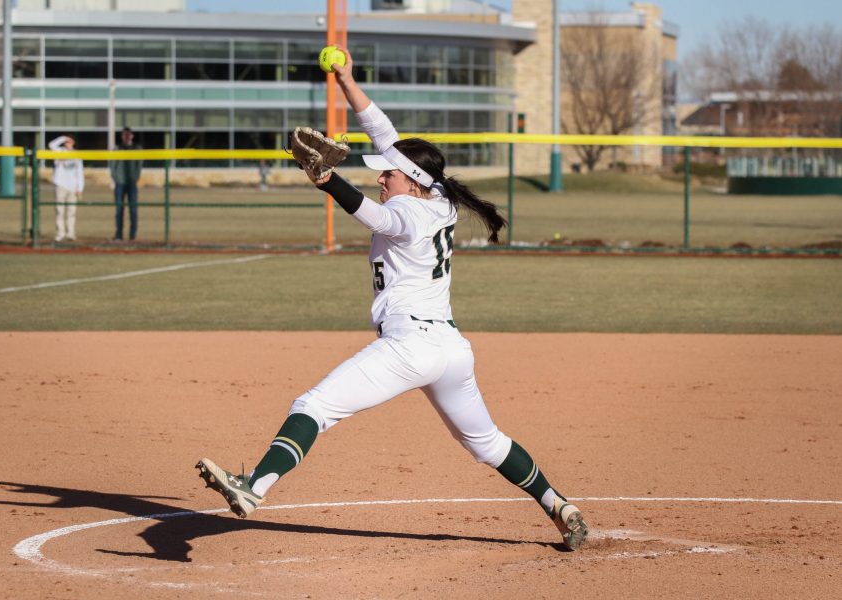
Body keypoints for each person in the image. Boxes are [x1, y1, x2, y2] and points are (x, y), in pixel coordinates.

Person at [196, 48, 588, 551]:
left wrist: (326, 179)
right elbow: (382, 130)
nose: (381, 177)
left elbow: (377, 218)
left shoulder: (409, 213)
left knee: (312, 406)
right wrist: (346, 80)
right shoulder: (438, 198)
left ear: (412, 181)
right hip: (451, 350)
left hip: (409, 346)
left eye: (389, 174)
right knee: (487, 443)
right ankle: (560, 506)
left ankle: (254, 488)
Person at [48, 135, 84, 242]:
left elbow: (80, 172)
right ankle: (60, 233)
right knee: (59, 211)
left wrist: (80, 187)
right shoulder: (59, 151)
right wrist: (63, 138)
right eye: (66, 142)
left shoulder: (77, 155)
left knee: (71, 212)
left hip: (72, 187)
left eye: (70, 141)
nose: (68, 143)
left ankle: (70, 233)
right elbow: (51, 145)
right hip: (60, 185)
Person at [109, 126, 142, 241]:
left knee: (133, 210)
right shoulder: (117, 148)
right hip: (120, 183)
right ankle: (119, 234)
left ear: (132, 136)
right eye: (124, 134)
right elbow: (112, 165)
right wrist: (116, 178)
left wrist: (135, 177)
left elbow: (139, 165)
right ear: (121, 136)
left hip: (132, 182)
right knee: (119, 210)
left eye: (128, 134)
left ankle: (132, 235)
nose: (127, 136)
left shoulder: (137, 148)